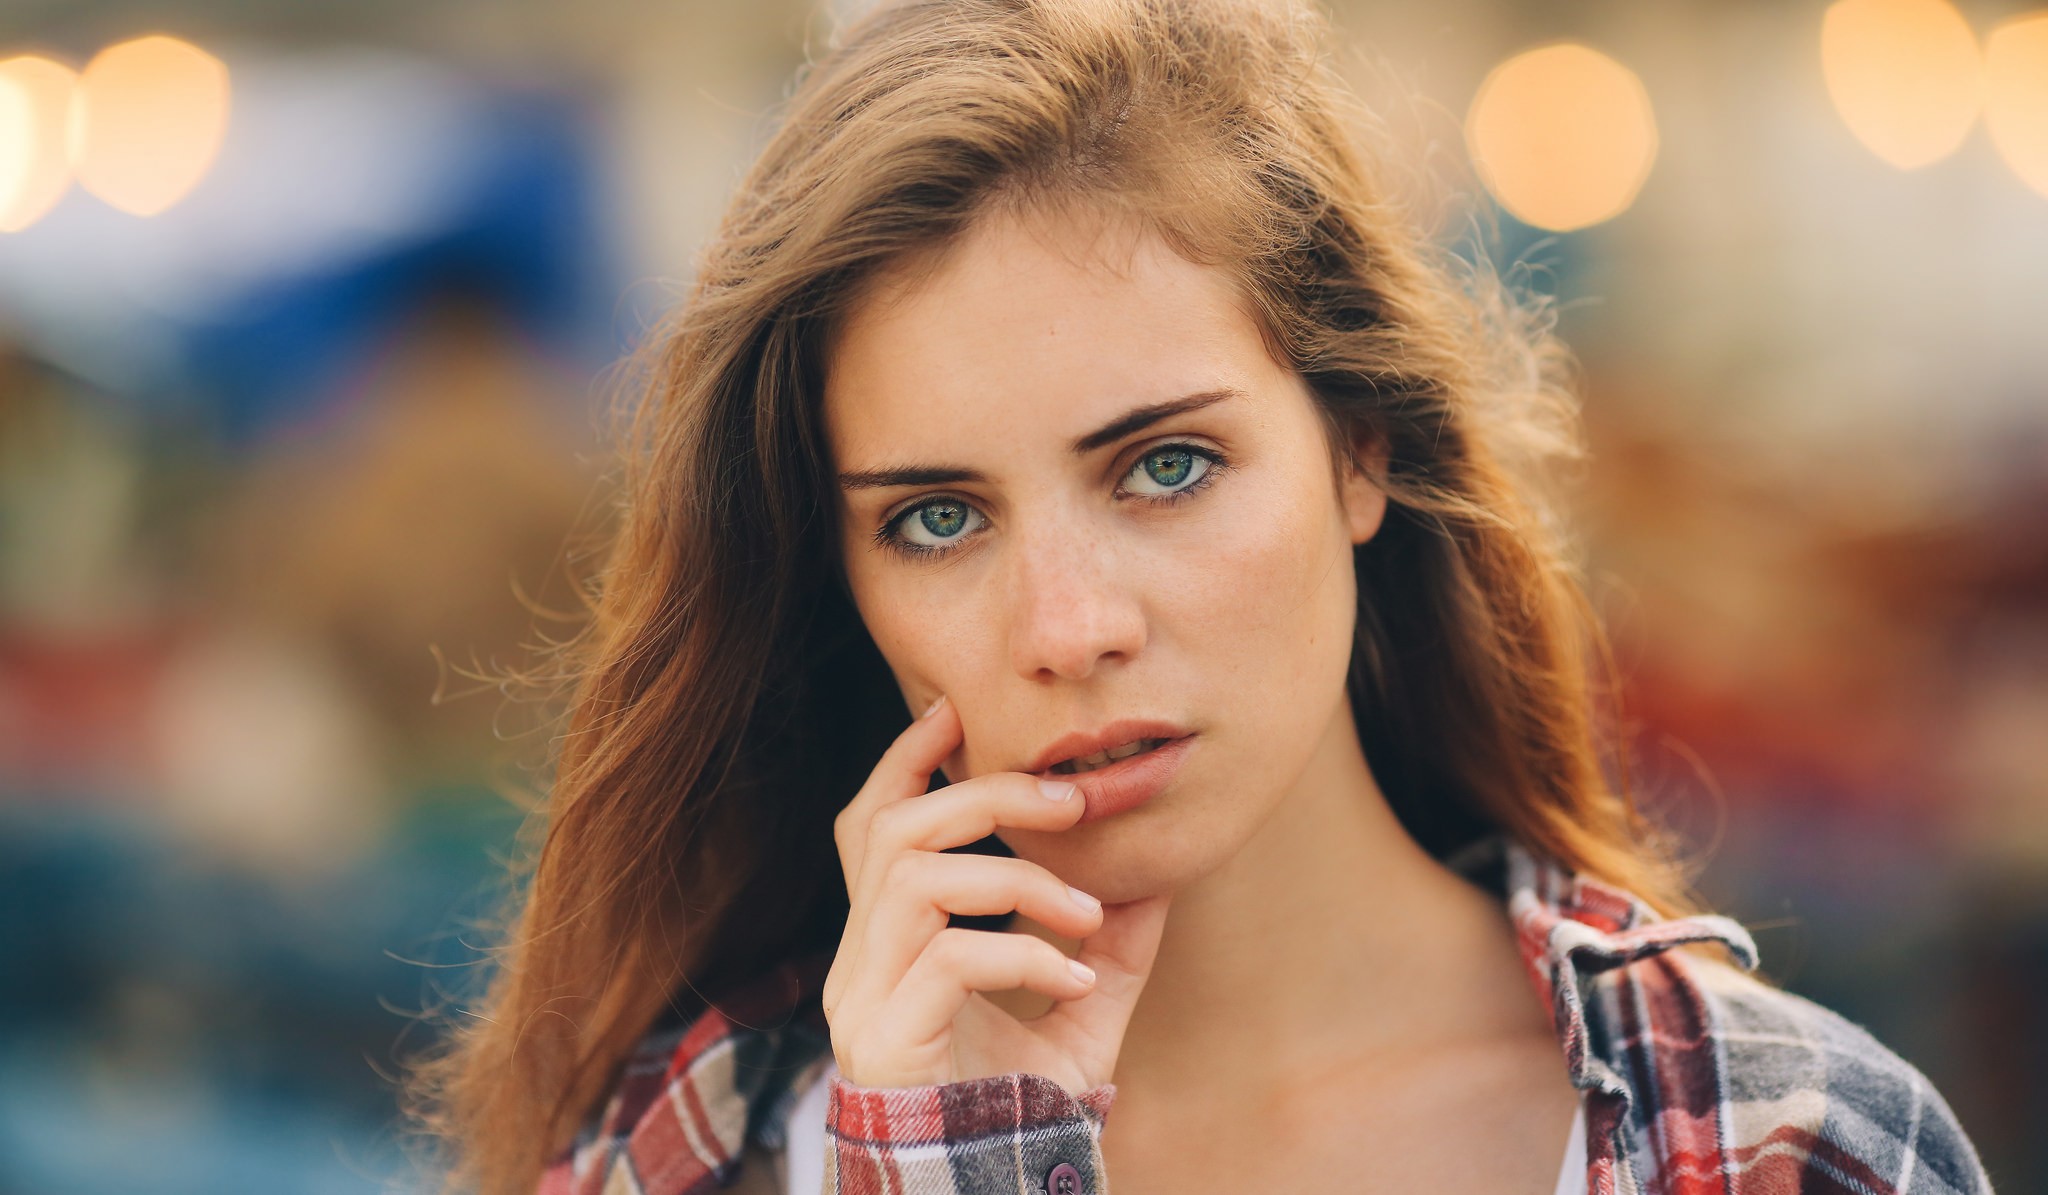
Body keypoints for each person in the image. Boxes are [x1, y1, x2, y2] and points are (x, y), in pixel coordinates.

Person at [396, 1, 1997, 1192]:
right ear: (842, 585)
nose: (1068, 626)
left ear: (1358, 450)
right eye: (939, 519)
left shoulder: (1782, 1142)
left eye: (1163, 468)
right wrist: (958, 1156)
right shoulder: (706, 1152)